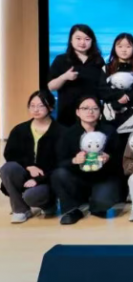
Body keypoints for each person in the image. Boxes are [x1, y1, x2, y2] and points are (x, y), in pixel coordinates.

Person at [51, 96, 121, 225]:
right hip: (78, 178)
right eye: (85, 108)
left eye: (95, 108)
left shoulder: (109, 131)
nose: (90, 111)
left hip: (103, 177)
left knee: (102, 204)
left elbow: (119, 159)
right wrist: (74, 160)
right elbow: (59, 161)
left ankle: (95, 204)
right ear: (78, 112)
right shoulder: (68, 134)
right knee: (58, 174)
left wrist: (109, 158)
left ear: (100, 111)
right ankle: (72, 210)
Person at [0, 91, 64, 223]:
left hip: (47, 179)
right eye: (32, 106)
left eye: (41, 106)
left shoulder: (61, 131)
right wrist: (28, 166)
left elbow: (61, 162)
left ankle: (48, 204)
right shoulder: (19, 129)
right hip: (25, 174)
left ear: (51, 107)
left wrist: (38, 179)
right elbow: (10, 154)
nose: (36, 110)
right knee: (8, 168)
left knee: (32, 196)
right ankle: (20, 209)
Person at [101, 33, 133, 166]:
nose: (124, 50)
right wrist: (118, 97)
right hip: (110, 116)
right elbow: (102, 89)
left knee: (131, 153)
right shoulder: (106, 68)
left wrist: (128, 97)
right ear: (114, 48)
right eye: (120, 46)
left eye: (128, 46)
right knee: (111, 152)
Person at [47, 24, 105, 127]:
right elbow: (50, 87)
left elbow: (102, 87)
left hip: (91, 114)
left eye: (87, 39)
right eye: (78, 38)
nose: (82, 42)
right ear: (71, 40)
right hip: (67, 114)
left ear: (92, 41)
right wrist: (64, 77)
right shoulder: (61, 60)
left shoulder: (98, 61)